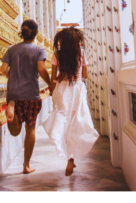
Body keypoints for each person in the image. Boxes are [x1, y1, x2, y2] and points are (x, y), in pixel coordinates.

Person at [42, 27, 99, 176]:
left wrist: (53, 90)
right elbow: (85, 74)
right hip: (77, 88)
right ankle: (71, 158)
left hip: (62, 89)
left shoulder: (57, 54)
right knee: (77, 120)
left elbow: (53, 77)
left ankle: (67, 152)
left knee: (63, 118)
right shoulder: (80, 53)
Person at [0, 19, 52, 174]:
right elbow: (41, 69)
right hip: (31, 95)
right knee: (30, 128)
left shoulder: (11, 49)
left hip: (14, 93)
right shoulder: (39, 50)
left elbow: (2, 69)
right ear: (35, 35)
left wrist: (13, 76)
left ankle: (12, 107)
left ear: (22, 34)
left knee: (15, 131)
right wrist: (50, 83)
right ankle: (26, 165)